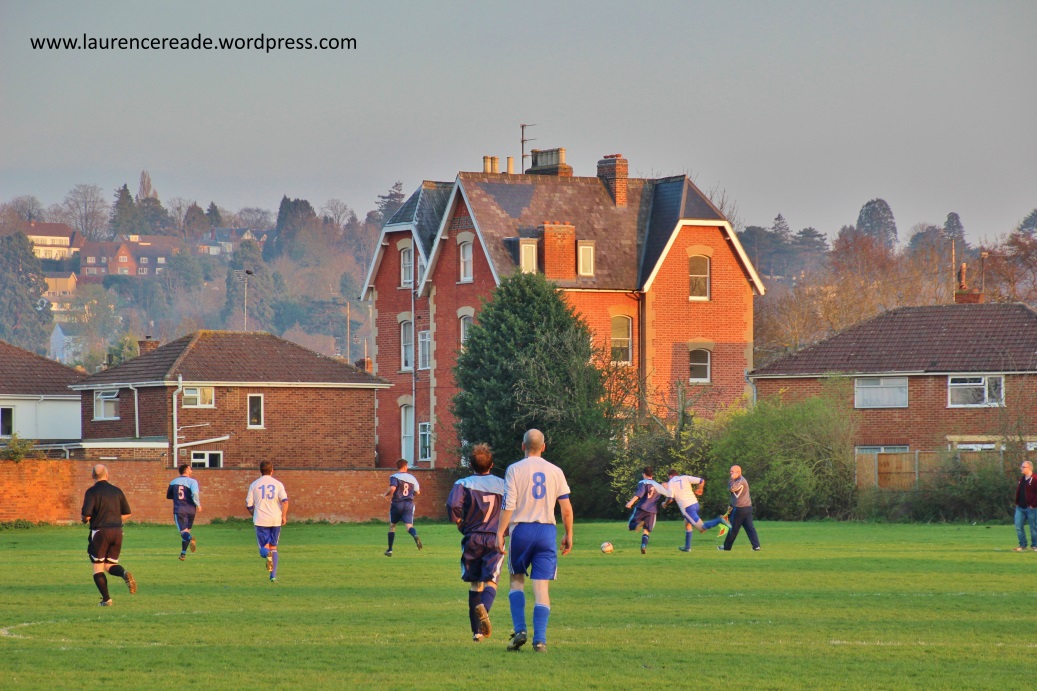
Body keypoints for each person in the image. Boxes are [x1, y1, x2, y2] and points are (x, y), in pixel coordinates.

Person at [496, 429, 573, 653]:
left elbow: (508, 504)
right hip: (547, 531)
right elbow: (566, 509)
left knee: (516, 581)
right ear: (544, 447)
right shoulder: (555, 471)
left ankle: (520, 630)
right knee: (541, 588)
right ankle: (540, 641)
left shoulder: (514, 469)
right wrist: (568, 534)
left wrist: (500, 532)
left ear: (523, 446)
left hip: (521, 530)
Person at [446, 443, 506, 642]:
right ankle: (485, 610)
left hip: (472, 537)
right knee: (491, 580)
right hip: (495, 537)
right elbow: (512, 506)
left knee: (475, 584)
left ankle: (477, 633)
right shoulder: (502, 484)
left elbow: (452, 505)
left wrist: (458, 522)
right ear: (492, 465)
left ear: (470, 464)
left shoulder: (463, 483)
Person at [80, 464, 137, 605]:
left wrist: (85, 520)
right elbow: (127, 513)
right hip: (117, 532)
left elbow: (86, 515)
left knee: (97, 568)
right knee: (109, 565)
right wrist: (115, 521)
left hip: (100, 532)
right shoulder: (117, 491)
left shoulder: (92, 492)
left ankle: (106, 599)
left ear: (92, 476)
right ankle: (124, 573)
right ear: (107, 475)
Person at [663, 469, 731, 552]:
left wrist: (664, 504)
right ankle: (687, 547)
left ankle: (719, 520)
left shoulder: (671, 483)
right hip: (695, 504)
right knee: (687, 523)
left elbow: (670, 498)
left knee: (702, 529)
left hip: (687, 508)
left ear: (670, 476)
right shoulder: (684, 477)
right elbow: (701, 481)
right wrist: (700, 489)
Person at [245, 461, 289, 582]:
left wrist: (254, 514)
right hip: (275, 519)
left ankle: (266, 554)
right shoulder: (278, 484)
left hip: (261, 520)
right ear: (272, 470)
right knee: (273, 547)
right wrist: (284, 516)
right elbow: (285, 501)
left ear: (260, 470)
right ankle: (273, 576)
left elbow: (249, 505)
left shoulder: (254, 484)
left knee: (264, 550)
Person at [624, 467, 670, 554]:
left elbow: (639, 494)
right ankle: (643, 545)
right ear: (652, 474)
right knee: (646, 530)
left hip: (641, 508)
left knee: (630, 526)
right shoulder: (657, 485)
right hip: (652, 511)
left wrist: (631, 502)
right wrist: (666, 487)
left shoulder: (643, 482)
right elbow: (669, 494)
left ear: (644, 474)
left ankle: (637, 525)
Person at [717, 465, 760, 552]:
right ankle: (756, 546)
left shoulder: (741, 480)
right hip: (746, 508)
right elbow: (735, 496)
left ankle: (726, 547)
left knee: (733, 528)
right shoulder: (738, 480)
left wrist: (732, 479)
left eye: (732, 471)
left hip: (740, 509)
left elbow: (732, 489)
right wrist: (731, 505)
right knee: (750, 528)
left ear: (738, 472)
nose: (730, 473)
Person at [384, 458, 422, 556]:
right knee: (409, 526)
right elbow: (417, 492)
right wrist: (410, 494)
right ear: (405, 467)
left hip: (397, 503)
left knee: (392, 526)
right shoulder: (412, 478)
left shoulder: (394, 477)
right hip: (409, 504)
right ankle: (414, 534)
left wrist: (386, 494)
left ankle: (390, 550)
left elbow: (392, 488)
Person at [167, 464, 201, 560]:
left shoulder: (173, 482)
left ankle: (190, 539)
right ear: (185, 470)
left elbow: (169, 496)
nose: (191, 471)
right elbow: (195, 493)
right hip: (191, 510)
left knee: (183, 532)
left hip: (180, 510)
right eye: (190, 469)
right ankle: (183, 554)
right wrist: (198, 504)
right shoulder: (193, 481)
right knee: (187, 531)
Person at [1013, 460, 1037, 552]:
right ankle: (1022, 545)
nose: (1021, 468)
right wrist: (1017, 502)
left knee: (1033, 528)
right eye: (1021, 467)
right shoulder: (1021, 479)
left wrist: (1033, 505)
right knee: (1018, 526)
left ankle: (1035, 545)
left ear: (1029, 468)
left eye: (1023, 467)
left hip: (1031, 508)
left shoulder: (1035, 479)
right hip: (1020, 507)